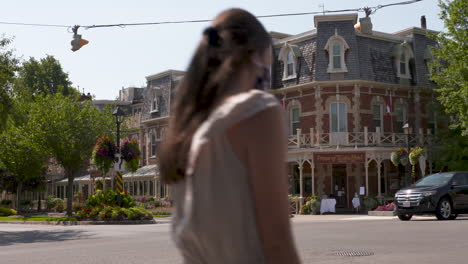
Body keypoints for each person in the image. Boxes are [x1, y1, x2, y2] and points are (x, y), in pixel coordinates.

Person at [160, 8, 300, 264]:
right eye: (266, 71)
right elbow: (277, 240)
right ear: (252, 59)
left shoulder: (187, 134)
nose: (264, 83)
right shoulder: (258, 111)